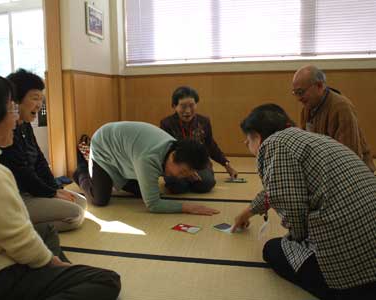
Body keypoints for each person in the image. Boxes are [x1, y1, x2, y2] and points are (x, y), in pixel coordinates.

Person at [0, 70, 121, 300]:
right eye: (11, 109)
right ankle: (62, 278)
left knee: (46, 231)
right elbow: (17, 239)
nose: (15, 118)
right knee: (106, 280)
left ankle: (62, 278)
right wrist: (52, 263)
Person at [232, 104, 376, 299]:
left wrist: (296, 240)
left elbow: (292, 208)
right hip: (370, 247)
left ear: (257, 137)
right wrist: (249, 211)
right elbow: (277, 190)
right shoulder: (316, 139)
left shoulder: (274, 145)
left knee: (272, 248)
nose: (245, 144)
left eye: (247, 139)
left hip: (350, 265)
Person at [0, 69, 86, 232]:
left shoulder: (25, 125)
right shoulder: (6, 130)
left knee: (80, 202)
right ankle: (11, 230)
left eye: (41, 99)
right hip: (16, 197)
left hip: (32, 193)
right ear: (16, 99)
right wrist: (51, 194)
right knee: (74, 215)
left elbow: (39, 161)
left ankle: (20, 226)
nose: (40, 104)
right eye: (35, 98)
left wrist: (55, 189)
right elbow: (21, 171)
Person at [73, 121, 220, 215]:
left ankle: (113, 176)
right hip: (104, 145)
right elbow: (153, 205)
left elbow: (180, 166)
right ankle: (81, 171)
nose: (182, 175)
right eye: (182, 171)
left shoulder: (177, 148)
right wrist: (186, 207)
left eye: (187, 172)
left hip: (126, 154)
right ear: (173, 156)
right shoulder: (148, 159)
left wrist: (188, 172)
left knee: (142, 192)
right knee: (99, 199)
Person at [292, 65, 375, 172]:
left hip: (352, 170)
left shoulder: (341, 108)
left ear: (319, 86)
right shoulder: (307, 108)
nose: (299, 98)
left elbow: (349, 154)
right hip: (325, 166)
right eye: (295, 93)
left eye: (301, 92)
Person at [160, 86, 238, 194]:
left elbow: (211, 146)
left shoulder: (204, 122)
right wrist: (186, 171)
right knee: (178, 187)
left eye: (191, 106)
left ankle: (190, 181)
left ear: (196, 104)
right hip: (178, 165)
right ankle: (185, 182)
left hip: (199, 163)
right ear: (174, 106)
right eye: (182, 106)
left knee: (206, 184)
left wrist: (227, 165)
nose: (187, 111)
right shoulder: (167, 123)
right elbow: (167, 151)